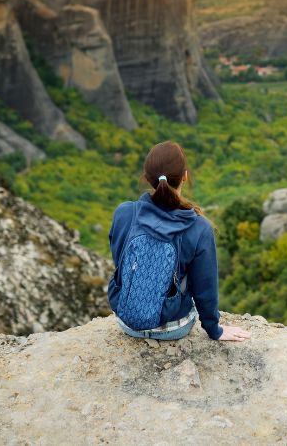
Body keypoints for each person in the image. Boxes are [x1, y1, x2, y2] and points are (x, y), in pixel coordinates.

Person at [107, 140, 250, 342]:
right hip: (173, 328)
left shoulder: (124, 213)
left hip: (127, 323)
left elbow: (120, 261)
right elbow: (205, 287)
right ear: (185, 176)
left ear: (147, 178)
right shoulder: (199, 228)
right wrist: (214, 330)